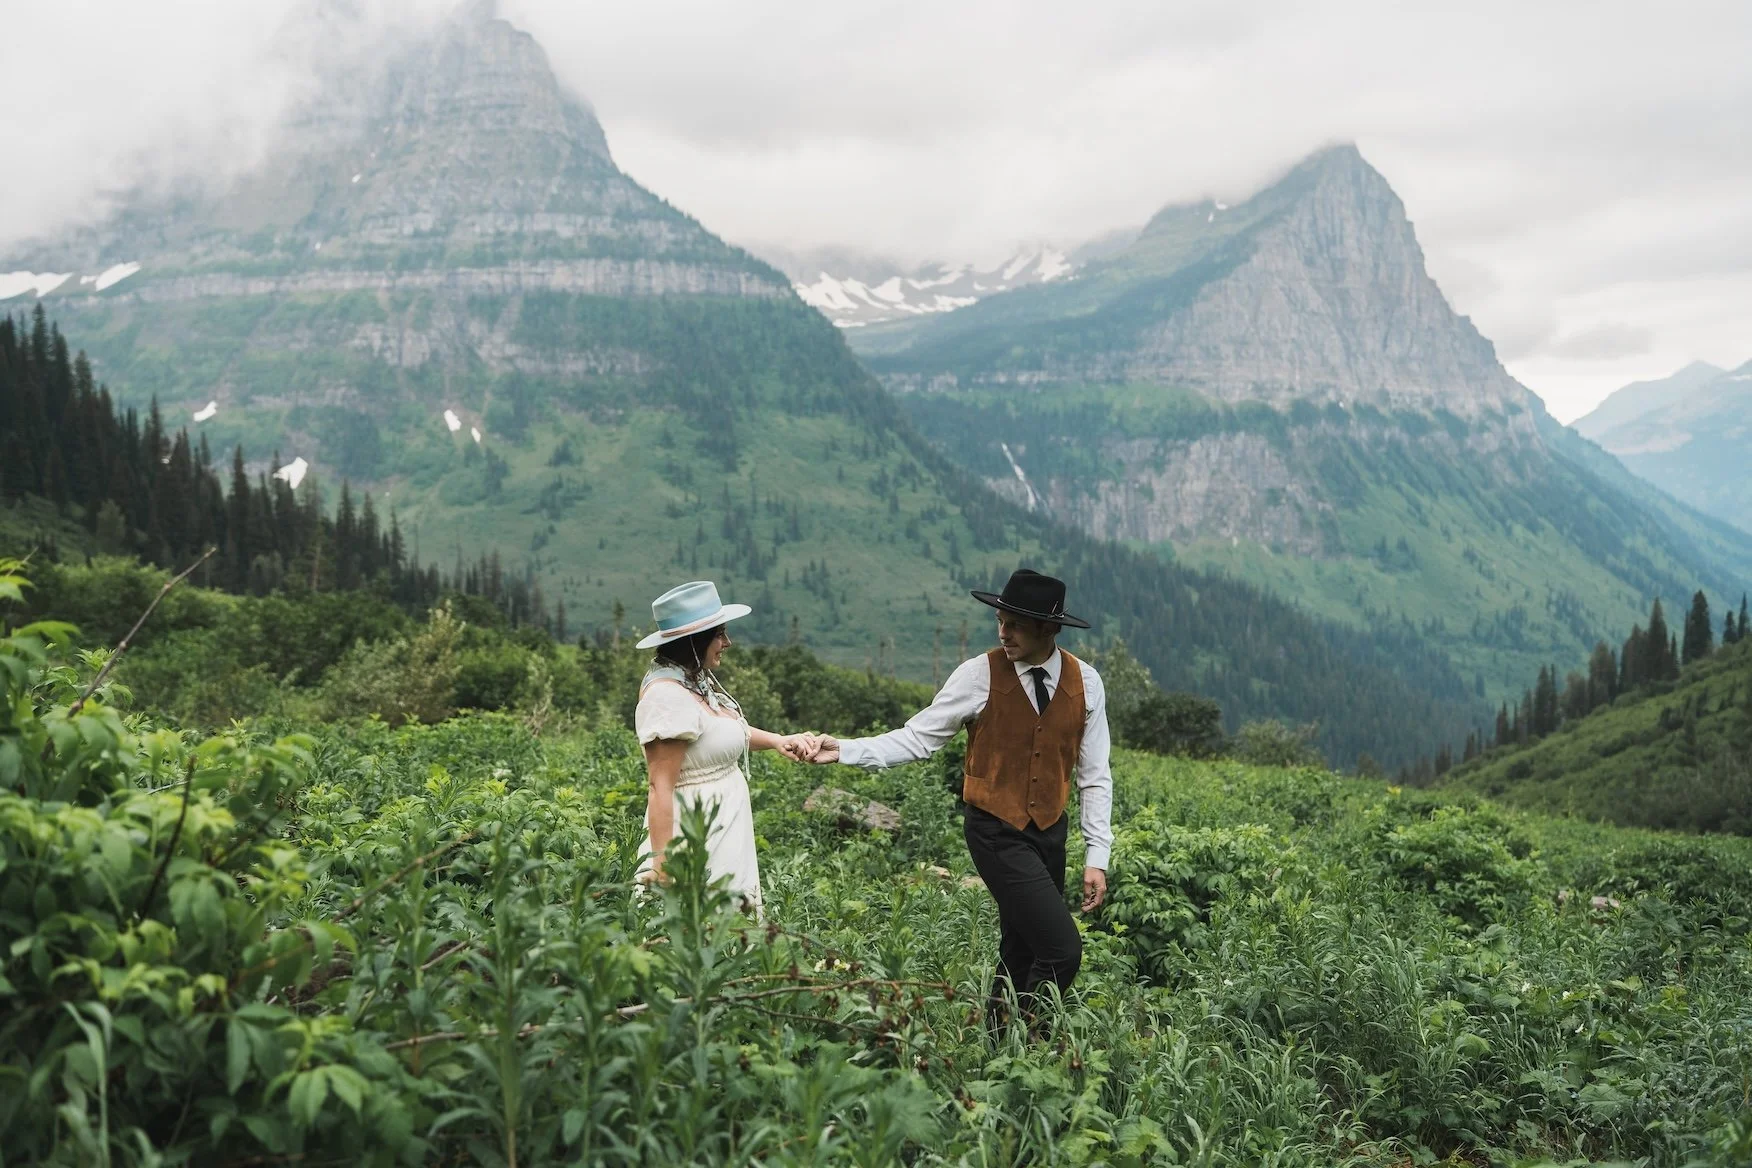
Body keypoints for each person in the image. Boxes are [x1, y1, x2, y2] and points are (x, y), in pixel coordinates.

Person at [803, 568, 1111, 1029]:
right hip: (994, 830)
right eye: (1000, 621)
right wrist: (844, 750)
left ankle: (999, 1047)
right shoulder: (977, 676)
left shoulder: (1087, 683)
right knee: (1060, 949)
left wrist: (1097, 854)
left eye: (1016, 624)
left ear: (1049, 629)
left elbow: (1094, 774)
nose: (1003, 632)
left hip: (1050, 832)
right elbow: (917, 739)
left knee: (1022, 945)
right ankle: (1028, 1043)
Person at [634, 580, 811, 916]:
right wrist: (662, 865)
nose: (727, 643)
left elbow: (723, 733)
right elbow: (660, 785)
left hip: (726, 824)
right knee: (699, 925)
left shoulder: (694, 680)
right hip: (697, 830)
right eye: (720, 634)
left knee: (731, 931)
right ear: (694, 641)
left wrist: (776, 741)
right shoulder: (666, 697)